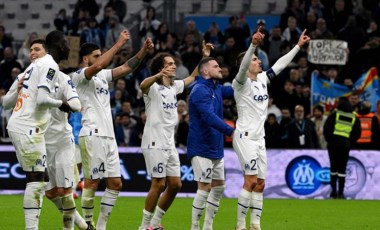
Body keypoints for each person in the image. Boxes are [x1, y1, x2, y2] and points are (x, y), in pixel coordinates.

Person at [71, 30, 153, 229]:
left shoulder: (102, 77)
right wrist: (118, 44)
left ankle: (100, 226)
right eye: (96, 56)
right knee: (91, 183)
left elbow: (126, 67)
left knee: (115, 183)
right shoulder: (79, 76)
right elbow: (100, 65)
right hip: (92, 134)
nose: (100, 59)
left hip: (109, 137)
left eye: (100, 55)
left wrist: (142, 51)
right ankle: (88, 223)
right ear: (85, 59)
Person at [232, 27, 310, 230]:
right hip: (245, 137)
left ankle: (255, 225)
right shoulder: (239, 83)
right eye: (256, 59)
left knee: (260, 183)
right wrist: (253, 45)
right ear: (246, 64)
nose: (259, 61)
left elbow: (280, 65)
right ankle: (240, 226)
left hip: (260, 138)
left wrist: (297, 47)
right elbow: (242, 70)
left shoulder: (262, 80)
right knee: (249, 181)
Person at [138, 41, 213, 230]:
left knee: (175, 184)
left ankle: (155, 223)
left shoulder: (174, 87)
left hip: (169, 143)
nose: (174, 66)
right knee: (159, 183)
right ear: (161, 68)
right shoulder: (153, 88)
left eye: (173, 63)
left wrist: (204, 56)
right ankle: (144, 226)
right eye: (169, 64)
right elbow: (142, 85)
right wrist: (157, 76)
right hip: (154, 140)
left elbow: (193, 77)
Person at [6, 30, 71, 230]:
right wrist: (62, 104)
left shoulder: (35, 69)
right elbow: (38, 101)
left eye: (37, 49)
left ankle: (76, 223)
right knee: (36, 180)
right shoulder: (43, 67)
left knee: (39, 179)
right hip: (28, 128)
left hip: (24, 127)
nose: (32, 52)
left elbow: (5, 103)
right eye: (31, 49)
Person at [187, 56, 235, 230]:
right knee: (205, 187)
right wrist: (230, 131)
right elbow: (208, 116)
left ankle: (208, 226)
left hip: (216, 147)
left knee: (219, 187)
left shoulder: (218, 88)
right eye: (216, 66)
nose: (220, 68)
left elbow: (237, 89)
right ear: (205, 71)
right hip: (201, 147)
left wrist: (252, 77)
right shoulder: (199, 89)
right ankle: (194, 227)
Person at [323, 97, 361, 199]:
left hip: (333, 144)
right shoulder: (354, 117)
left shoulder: (335, 114)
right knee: (342, 169)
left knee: (333, 168)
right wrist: (349, 142)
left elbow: (326, 128)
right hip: (345, 145)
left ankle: (333, 192)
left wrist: (329, 140)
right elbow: (357, 133)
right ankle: (341, 192)